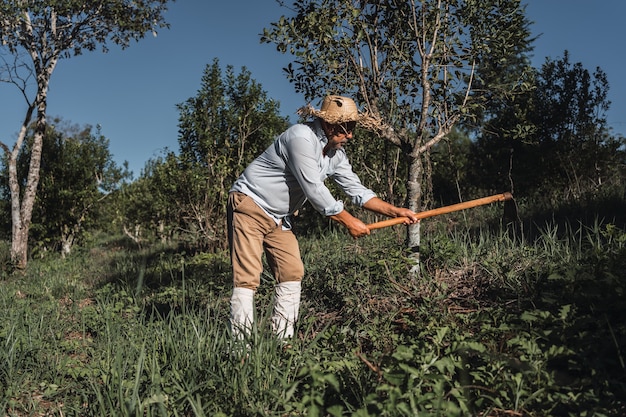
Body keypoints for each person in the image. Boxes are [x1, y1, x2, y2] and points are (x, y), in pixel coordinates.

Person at [227, 95, 417, 340]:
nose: (350, 135)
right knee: (247, 277)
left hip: (280, 217)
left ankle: (281, 342)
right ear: (328, 125)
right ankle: (239, 350)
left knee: (292, 273)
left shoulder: (336, 156)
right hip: (250, 204)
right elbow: (314, 190)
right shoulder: (300, 138)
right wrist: (349, 222)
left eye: (353, 128)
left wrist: (396, 211)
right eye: (346, 128)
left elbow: (358, 192)